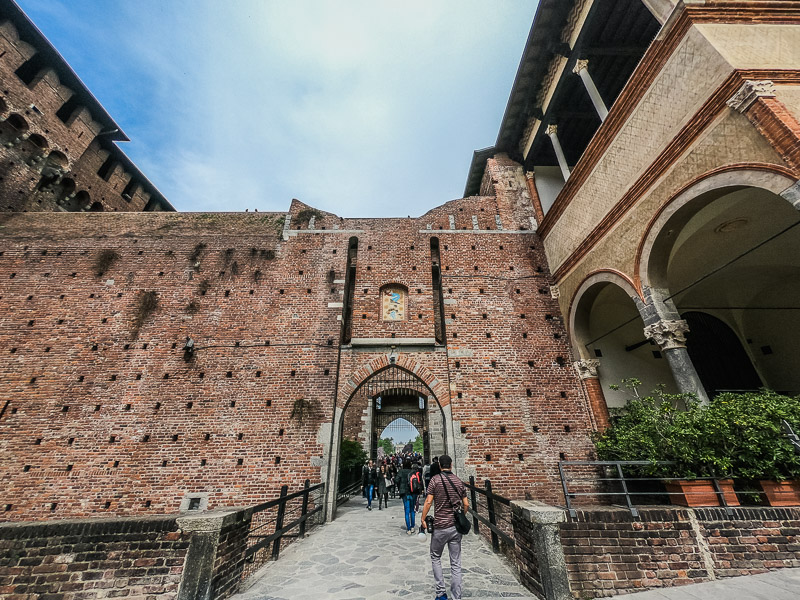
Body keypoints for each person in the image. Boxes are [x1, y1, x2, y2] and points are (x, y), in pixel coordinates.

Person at [421, 455, 468, 600]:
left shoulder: (435, 480)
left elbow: (428, 502)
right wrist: (461, 516)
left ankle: (441, 593)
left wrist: (423, 518)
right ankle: (456, 596)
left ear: (440, 466)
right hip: (455, 527)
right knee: (456, 563)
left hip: (440, 527)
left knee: (435, 557)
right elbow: (466, 504)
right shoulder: (459, 482)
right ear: (451, 465)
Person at [395, 458, 416, 534]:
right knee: (412, 510)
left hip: (405, 493)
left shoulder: (401, 471)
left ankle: (409, 528)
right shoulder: (412, 471)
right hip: (412, 492)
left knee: (407, 511)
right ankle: (413, 526)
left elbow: (396, 480)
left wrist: (400, 485)